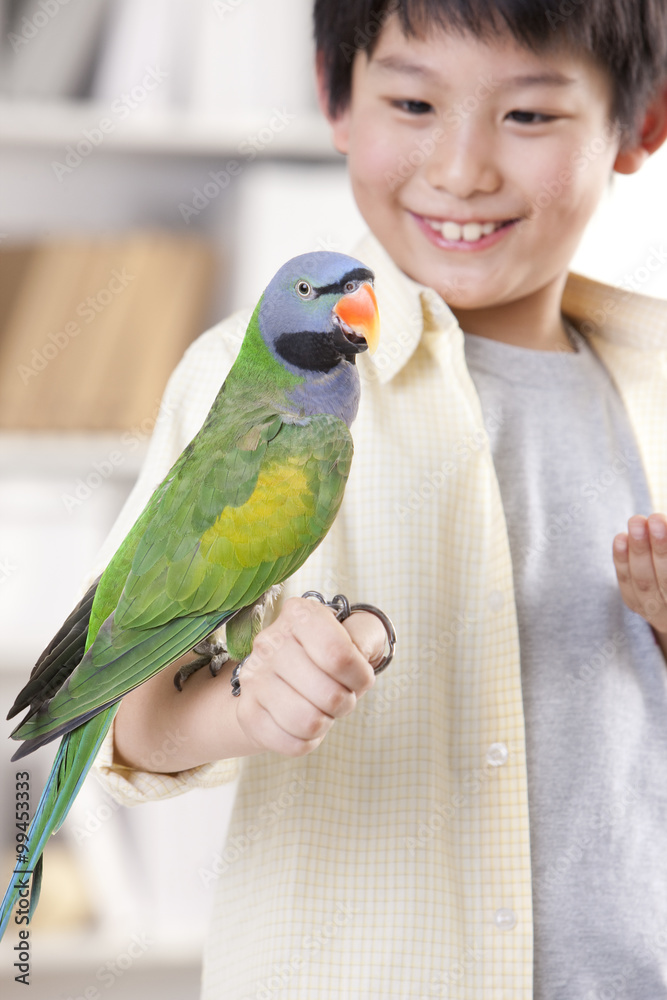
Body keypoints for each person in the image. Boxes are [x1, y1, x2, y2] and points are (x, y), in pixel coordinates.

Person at [92, 1, 667, 996]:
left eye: (527, 115)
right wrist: (246, 702)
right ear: (336, 98)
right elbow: (131, 721)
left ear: (642, 121)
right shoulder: (237, 382)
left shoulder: (654, 385)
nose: (461, 168)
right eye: (412, 101)